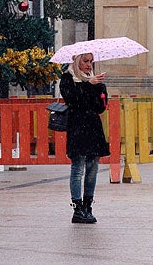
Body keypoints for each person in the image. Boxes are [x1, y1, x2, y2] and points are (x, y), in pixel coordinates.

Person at [59, 53, 111, 224]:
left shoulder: (94, 80)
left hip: (93, 127)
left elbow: (99, 107)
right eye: (85, 61)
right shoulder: (68, 78)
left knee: (93, 168)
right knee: (78, 167)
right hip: (77, 126)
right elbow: (73, 99)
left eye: (91, 61)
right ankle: (78, 208)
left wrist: (99, 88)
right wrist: (89, 85)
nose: (89, 65)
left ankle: (88, 205)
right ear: (77, 61)